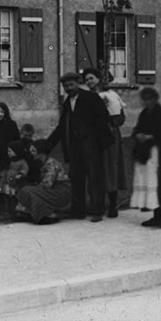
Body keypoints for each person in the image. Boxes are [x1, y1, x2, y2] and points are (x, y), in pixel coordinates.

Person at [47, 71, 112, 221]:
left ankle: (97, 210)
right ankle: (78, 210)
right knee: (76, 178)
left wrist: (96, 140)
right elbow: (62, 127)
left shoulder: (91, 98)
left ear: (78, 83)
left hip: (92, 145)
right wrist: (48, 143)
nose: (69, 88)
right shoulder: (67, 103)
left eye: (71, 84)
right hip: (74, 147)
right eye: (66, 86)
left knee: (95, 178)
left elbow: (103, 118)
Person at [129, 87, 161, 228]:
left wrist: (149, 137)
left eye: (150, 99)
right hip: (146, 153)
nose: (147, 102)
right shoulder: (144, 113)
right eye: (144, 100)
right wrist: (137, 134)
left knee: (159, 183)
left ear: (155, 99)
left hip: (158, 154)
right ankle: (156, 216)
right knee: (151, 183)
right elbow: (138, 128)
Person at [82, 67, 127, 218]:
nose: (89, 82)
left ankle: (113, 206)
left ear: (98, 79)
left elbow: (120, 117)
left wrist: (109, 122)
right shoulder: (87, 97)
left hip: (109, 136)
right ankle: (98, 206)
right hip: (94, 138)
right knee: (96, 171)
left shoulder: (110, 95)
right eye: (86, 80)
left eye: (91, 78)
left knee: (110, 169)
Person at [16, 140, 73, 225]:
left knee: (27, 191)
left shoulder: (52, 164)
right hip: (52, 189)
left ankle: (44, 213)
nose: (31, 153)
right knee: (26, 190)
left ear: (41, 152)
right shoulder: (43, 162)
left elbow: (47, 183)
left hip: (60, 192)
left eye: (33, 151)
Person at [0, 140, 31, 216]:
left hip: (15, 182)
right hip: (7, 181)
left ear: (17, 151)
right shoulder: (10, 160)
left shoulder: (22, 162)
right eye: (8, 151)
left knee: (13, 196)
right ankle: (6, 209)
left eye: (10, 151)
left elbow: (25, 169)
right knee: (6, 194)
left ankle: (13, 209)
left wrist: (21, 174)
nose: (8, 153)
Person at [0, 101, 21, 176]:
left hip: (8, 152)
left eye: (2, 112)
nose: (0, 114)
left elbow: (16, 138)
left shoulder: (11, 124)